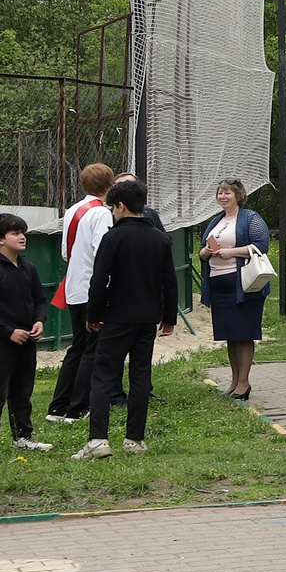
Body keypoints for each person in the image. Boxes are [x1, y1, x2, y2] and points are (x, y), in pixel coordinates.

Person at [75, 176, 175, 460]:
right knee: (141, 375)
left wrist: (92, 314)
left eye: (113, 208)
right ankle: (134, 439)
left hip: (116, 317)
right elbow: (169, 282)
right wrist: (168, 316)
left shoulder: (113, 236)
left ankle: (98, 440)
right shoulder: (160, 238)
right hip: (147, 318)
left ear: (120, 206)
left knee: (104, 375)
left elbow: (100, 279)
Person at [0, 213, 52, 462]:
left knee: (22, 391)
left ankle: (23, 436)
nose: (22, 237)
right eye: (15, 233)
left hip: (27, 341)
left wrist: (39, 321)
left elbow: (40, 299)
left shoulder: (29, 268)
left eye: (22, 232)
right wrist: (8, 331)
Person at [45, 162, 116, 423]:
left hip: (73, 286)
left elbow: (66, 252)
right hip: (92, 289)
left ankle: (58, 406)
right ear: (109, 186)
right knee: (92, 349)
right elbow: (103, 253)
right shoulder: (102, 214)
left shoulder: (74, 209)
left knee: (78, 347)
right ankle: (78, 408)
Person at [200, 179, 272, 402]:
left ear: (238, 195)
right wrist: (206, 253)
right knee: (230, 335)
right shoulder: (216, 221)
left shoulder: (250, 218)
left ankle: (244, 382)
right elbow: (203, 250)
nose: (222, 197)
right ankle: (234, 380)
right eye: (220, 193)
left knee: (243, 333)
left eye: (227, 193)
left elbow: (261, 245)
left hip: (243, 286)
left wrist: (232, 252)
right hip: (219, 286)